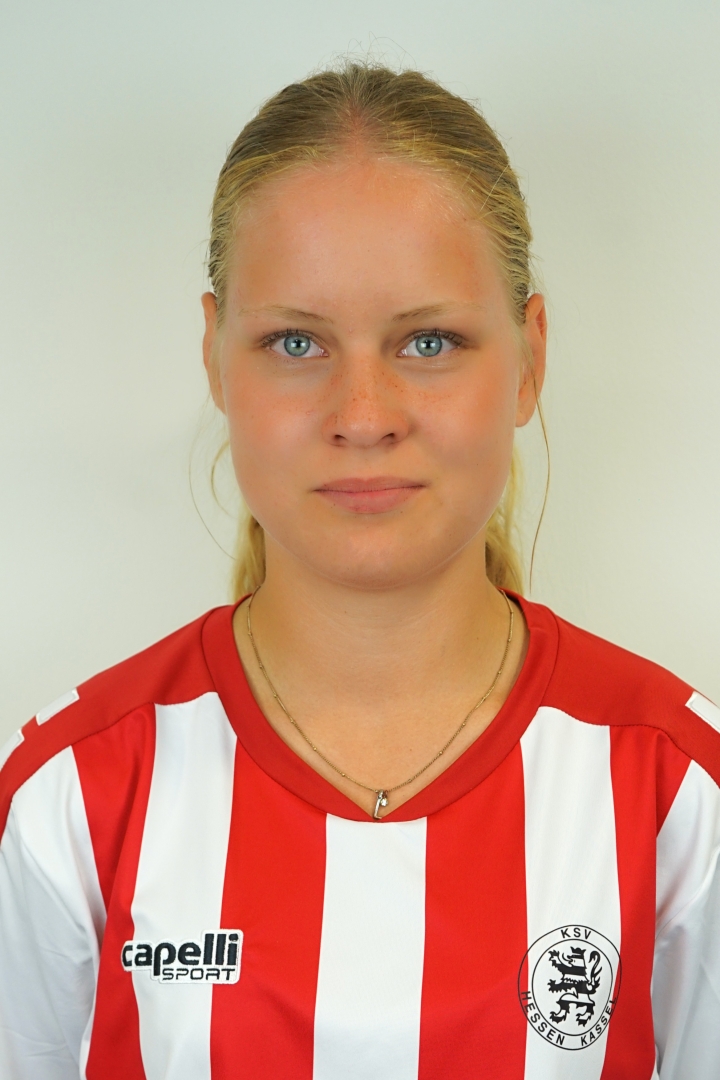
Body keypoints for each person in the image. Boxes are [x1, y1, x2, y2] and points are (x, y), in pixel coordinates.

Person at [0, 61, 718, 1080]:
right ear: (214, 355)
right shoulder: (70, 797)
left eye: (429, 340)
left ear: (530, 357)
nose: (365, 414)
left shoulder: (677, 791)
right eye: (296, 341)